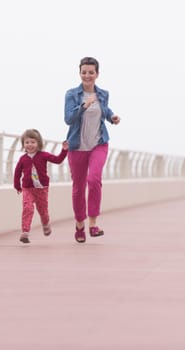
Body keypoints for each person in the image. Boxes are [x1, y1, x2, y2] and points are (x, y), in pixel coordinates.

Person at [64, 56, 121, 243]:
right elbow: (68, 119)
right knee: (78, 188)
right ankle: (79, 226)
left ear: (97, 74)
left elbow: (104, 110)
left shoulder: (103, 94)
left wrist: (112, 117)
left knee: (94, 179)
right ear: (80, 73)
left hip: (99, 143)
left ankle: (93, 224)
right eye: (84, 72)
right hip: (77, 147)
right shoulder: (72, 94)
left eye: (91, 72)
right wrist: (83, 106)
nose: (87, 76)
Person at [13, 129, 68, 244]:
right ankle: (25, 232)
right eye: (27, 142)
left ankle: (46, 224)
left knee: (42, 210)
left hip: (42, 189)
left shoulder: (43, 155)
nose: (30, 145)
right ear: (23, 144)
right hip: (27, 188)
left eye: (33, 142)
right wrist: (17, 186)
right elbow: (17, 173)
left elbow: (58, 160)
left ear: (38, 143)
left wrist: (64, 150)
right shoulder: (23, 159)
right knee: (28, 208)